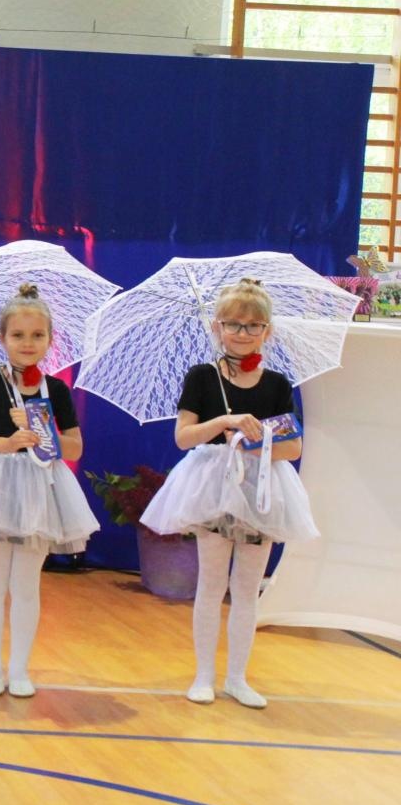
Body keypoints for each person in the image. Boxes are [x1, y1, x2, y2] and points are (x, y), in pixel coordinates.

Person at [141, 278, 316, 709]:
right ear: (217, 328)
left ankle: (237, 677)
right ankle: (204, 675)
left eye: (253, 325)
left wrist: (261, 438)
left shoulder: (276, 383)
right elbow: (184, 436)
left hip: (260, 487)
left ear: (267, 331)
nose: (243, 333)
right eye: (234, 324)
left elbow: (293, 446)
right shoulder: (203, 377)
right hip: (213, 486)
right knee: (211, 582)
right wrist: (227, 422)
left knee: (247, 587)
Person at [0, 284, 98, 698]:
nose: (27, 344)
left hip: (40, 490)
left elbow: (76, 446)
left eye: (37, 336)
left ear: (49, 339)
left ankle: (20, 668)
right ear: (2, 338)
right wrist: (7, 442)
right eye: (18, 336)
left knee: (27, 583)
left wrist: (40, 432)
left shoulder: (57, 390)